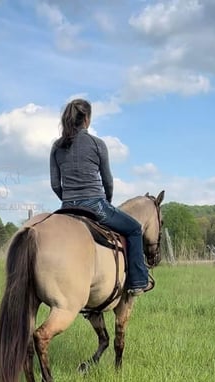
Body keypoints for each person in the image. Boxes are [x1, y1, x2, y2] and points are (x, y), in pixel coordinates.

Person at [49, 98, 152, 296]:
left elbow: (55, 184)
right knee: (134, 229)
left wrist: (68, 199)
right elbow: (108, 182)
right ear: (87, 119)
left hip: (66, 208)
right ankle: (138, 281)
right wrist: (107, 202)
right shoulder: (98, 144)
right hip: (95, 206)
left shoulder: (57, 147)